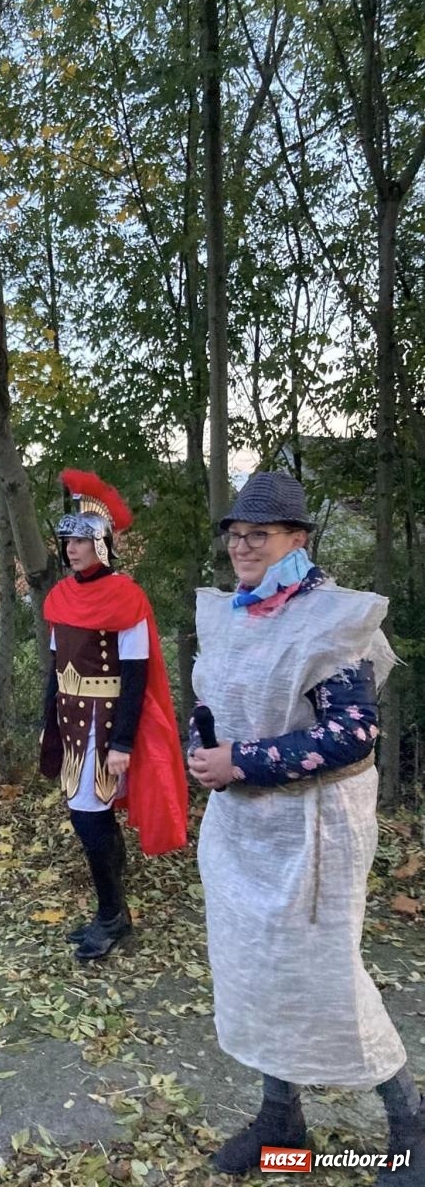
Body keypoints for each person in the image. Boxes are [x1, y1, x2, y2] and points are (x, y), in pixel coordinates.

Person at [188, 470, 423, 1183]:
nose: (242, 546)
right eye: (236, 534)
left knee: (325, 978)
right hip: (242, 830)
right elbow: (214, 703)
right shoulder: (232, 614)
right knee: (260, 974)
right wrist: (204, 745)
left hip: (313, 833)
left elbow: (352, 734)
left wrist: (241, 759)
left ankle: (411, 1128)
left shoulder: (331, 620)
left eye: (259, 534)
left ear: (297, 540)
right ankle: (281, 1124)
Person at [39, 469, 187, 962]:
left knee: (89, 817)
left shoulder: (127, 597)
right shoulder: (61, 596)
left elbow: (136, 674)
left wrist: (123, 742)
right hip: (70, 720)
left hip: (103, 724)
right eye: (67, 541)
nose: (71, 549)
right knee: (88, 816)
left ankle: (111, 916)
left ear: (102, 544)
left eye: (81, 540)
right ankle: (113, 912)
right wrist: (47, 723)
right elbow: (55, 668)